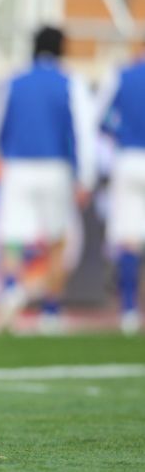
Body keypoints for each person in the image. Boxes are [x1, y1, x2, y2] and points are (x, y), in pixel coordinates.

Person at [0, 25, 96, 334]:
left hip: (17, 166)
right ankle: (50, 311)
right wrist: (85, 177)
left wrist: (3, 156)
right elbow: (83, 132)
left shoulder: (12, 80)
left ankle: (11, 289)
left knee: (12, 236)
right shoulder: (71, 81)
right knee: (56, 239)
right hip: (55, 168)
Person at [95, 40, 145, 335]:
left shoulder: (122, 75)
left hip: (128, 160)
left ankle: (129, 309)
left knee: (129, 237)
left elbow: (101, 120)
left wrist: (121, 133)